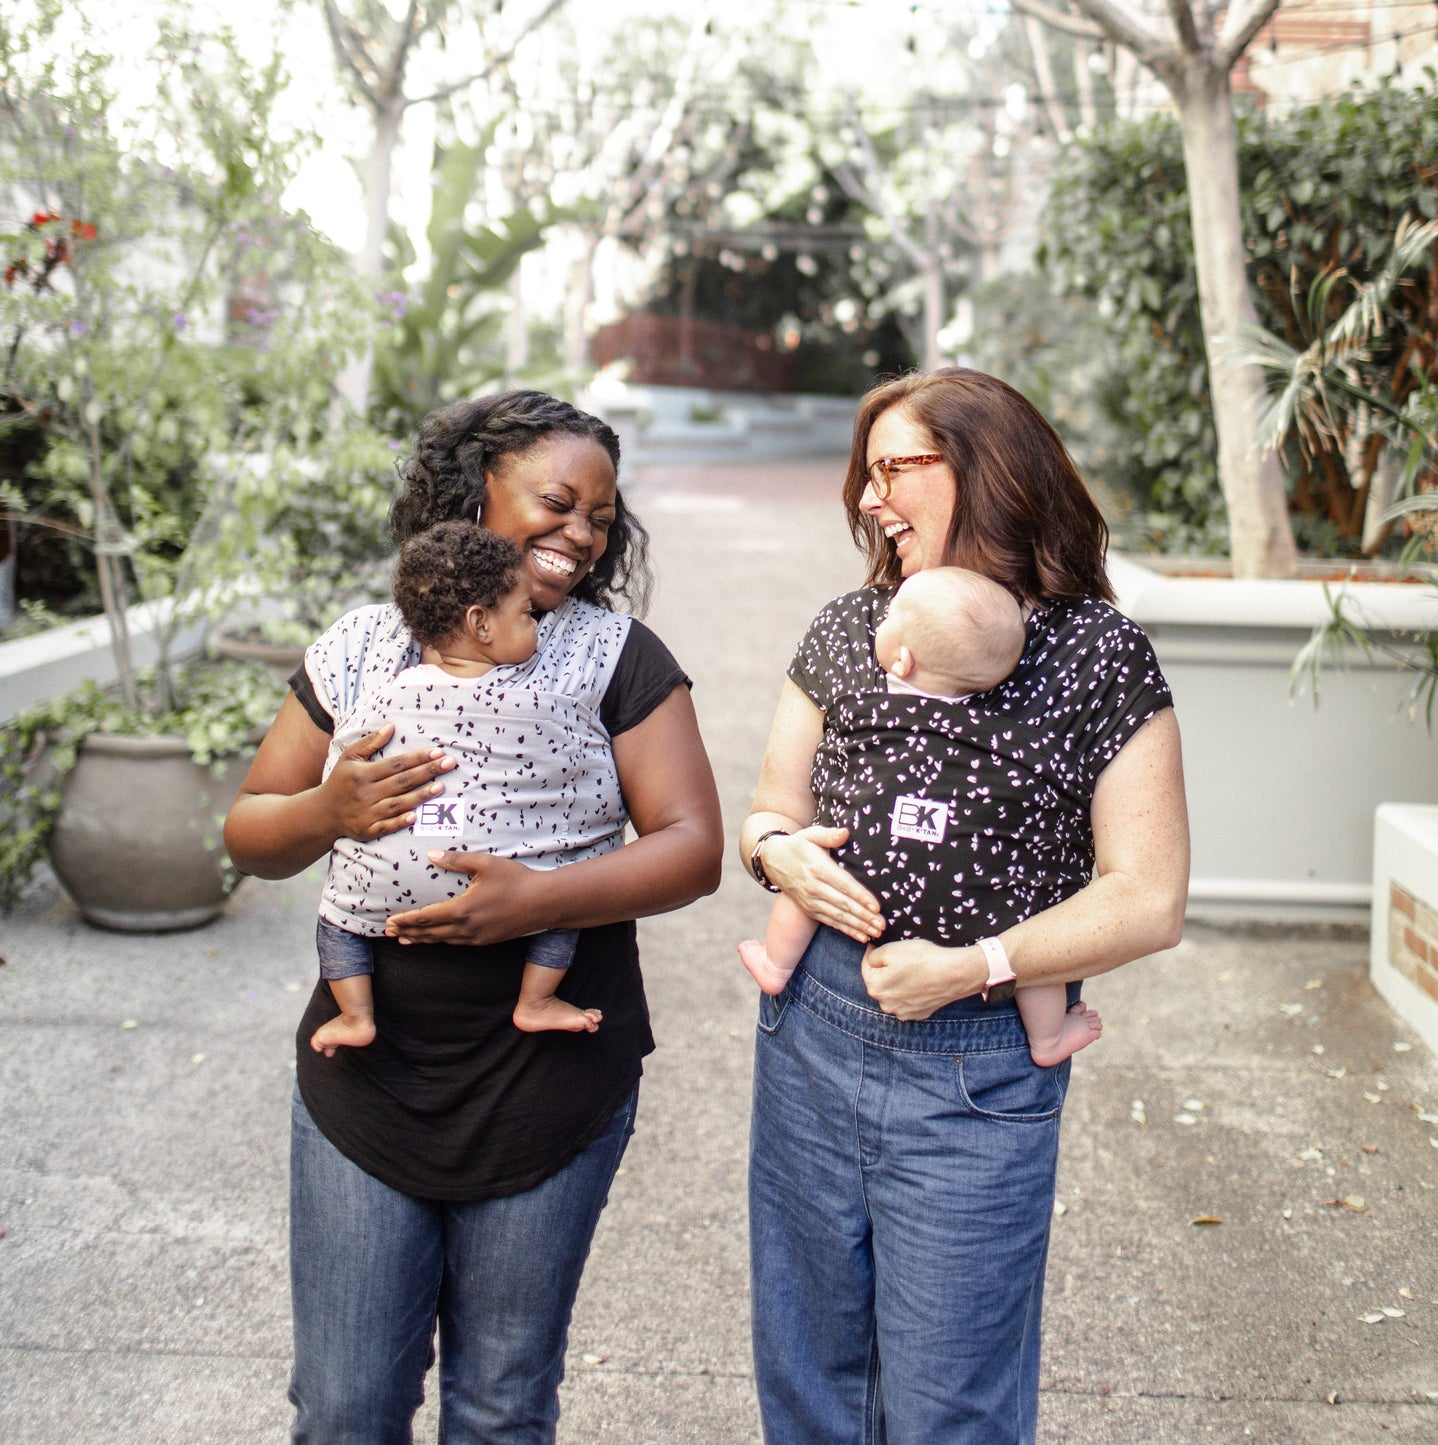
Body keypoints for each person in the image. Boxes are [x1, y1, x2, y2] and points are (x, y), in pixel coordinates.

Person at [223, 390, 723, 1444]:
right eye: (556, 499)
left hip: (549, 1076)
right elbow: (250, 831)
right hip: (369, 1068)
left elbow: (690, 848)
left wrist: (536, 902)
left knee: (499, 1409)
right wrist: (328, 808)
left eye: (599, 515)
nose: (579, 531)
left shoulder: (615, 657)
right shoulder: (361, 647)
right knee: (346, 1406)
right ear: (475, 489)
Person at [739, 367, 1188, 1444]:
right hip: (811, 1031)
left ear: (986, 471)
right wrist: (779, 860)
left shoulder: (1094, 653)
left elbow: (1148, 895)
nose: (866, 496)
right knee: (809, 1384)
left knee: (952, 1405)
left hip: (976, 1063)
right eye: (864, 471)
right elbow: (765, 810)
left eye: (894, 467)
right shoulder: (850, 629)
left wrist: (977, 962)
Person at [737, 565, 1104, 1070]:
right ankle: (1047, 1038)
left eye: (890, 621)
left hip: (860, 873)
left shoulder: (871, 705)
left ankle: (775, 966)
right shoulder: (991, 727)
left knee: (810, 877)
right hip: (979, 900)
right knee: (1033, 938)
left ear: (901, 659)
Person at [312, 521, 605, 1060]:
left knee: (336, 920)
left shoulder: (384, 694)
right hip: (510, 893)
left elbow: (343, 762)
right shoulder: (540, 702)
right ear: (481, 624)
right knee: (564, 904)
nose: (536, 625)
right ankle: (536, 1000)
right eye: (526, 613)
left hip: (382, 893)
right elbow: (590, 783)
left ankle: (355, 1014)